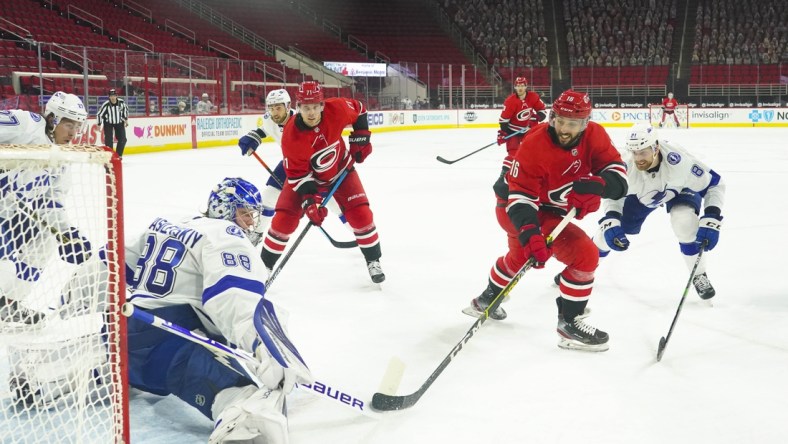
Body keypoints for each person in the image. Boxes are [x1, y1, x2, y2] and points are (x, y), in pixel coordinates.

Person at [125, 177, 311, 443]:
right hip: (172, 348)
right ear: (224, 208)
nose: (250, 222)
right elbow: (232, 297)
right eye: (244, 213)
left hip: (124, 338)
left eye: (252, 215)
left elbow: (111, 260)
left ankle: (78, 366)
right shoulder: (226, 235)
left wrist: (64, 304)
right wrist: (266, 346)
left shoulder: (170, 223)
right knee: (247, 401)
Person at [463, 89, 628, 352]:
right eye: (559, 120)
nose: (563, 128)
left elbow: (618, 175)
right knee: (584, 254)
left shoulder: (595, 135)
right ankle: (569, 323)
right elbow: (521, 200)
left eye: (572, 123)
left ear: (585, 123)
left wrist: (599, 185)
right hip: (515, 207)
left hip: (546, 208)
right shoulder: (535, 143)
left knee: (518, 257)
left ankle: (486, 299)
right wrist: (531, 233)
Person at [260, 81, 385, 283]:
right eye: (306, 108)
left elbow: (360, 110)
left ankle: (373, 260)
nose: (311, 113)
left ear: (322, 105)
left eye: (315, 107)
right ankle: (263, 267)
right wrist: (310, 203)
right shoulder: (291, 136)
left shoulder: (338, 108)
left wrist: (361, 137)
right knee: (284, 220)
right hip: (306, 178)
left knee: (361, 215)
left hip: (341, 169)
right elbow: (298, 176)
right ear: (298, 107)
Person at [593, 124, 725, 299]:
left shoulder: (680, 163)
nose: (638, 158)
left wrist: (712, 216)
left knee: (683, 222)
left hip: (679, 188)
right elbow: (613, 195)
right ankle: (582, 270)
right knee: (609, 234)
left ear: (656, 147)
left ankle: (699, 275)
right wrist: (611, 217)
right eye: (634, 152)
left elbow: (714, 184)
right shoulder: (625, 164)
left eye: (643, 152)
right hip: (644, 195)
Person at [0, 91, 91, 327]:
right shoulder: (27, 124)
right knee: (5, 271)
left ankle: (9, 305)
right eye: (68, 124)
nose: (73, 132)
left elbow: (51, 202)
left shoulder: (60, 158)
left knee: (46, 241)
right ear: (52, 118)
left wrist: (67, 232)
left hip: (10, 214)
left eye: (77, 126)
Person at [237, 89, 348, 234]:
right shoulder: (269, 119)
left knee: (333, 202)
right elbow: (265, 129)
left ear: (288, 106)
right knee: (268, 198)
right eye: (271, 108)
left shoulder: (302, 121)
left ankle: (358, 232)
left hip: (315, 167)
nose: (274, 112)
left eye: (278, 108)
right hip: (291, 164)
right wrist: (253, 137)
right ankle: (256, 234)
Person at [494, 76, 547, 200]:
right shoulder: (510, 101)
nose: (520, 88)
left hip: (528, 132)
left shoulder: (533, 97)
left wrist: (536, 118)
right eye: (518, 85)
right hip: (513, 131)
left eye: (522, 85)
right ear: (515, 87)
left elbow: (542, 111)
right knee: (513, 155)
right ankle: (503, 178)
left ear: (526, 86)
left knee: (533, 155)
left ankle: (530, 178)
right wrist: (503, 133)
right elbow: (503, 120)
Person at [96, 89, 129, 158]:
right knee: (108, 140)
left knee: (123, 139)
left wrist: (126, 120)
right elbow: (99, 114)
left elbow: (125, 110)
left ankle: (118, 155)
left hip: (119, 122)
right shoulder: (106, 105)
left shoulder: (122, 103)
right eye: (111, 96)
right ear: (109, 97)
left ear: (117, 96)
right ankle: (110, 156)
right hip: (108, 123)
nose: (113, 97)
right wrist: (99, 124)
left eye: (114, 95)